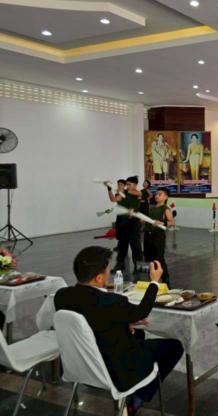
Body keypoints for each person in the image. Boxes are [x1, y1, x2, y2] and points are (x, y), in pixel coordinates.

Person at [54, 246, 183, 416]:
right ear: (99, 278)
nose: (109, 274)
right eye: (108, 271)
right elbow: (141, 311)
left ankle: (137, 393)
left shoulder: (61, 296)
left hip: (81, 366)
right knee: (175, 347)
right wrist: (154, 282)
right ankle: (139, 397)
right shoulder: (110, 301)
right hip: (117, 372)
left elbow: (91, 318)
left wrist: (124, 323)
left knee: (138, 333)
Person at [108, 176, 143, 273]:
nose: (127, 186)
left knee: (135, 245)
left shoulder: (138, 193)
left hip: (133, 222)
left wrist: (120, 190)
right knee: (122, 244)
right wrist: (109, 189)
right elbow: (114, 200)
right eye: (126, 184)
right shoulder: (123, 192)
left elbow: (138, 194)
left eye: (129, 184)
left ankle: (138, 266)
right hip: (122, 220)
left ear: (135, 185)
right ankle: (120, 264)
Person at [143, 187, 175, 287]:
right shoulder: (151, 207)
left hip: (158, 236)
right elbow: (148, 220)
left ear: (166, 197)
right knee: (149, 258)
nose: (157, 196)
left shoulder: (165, 209)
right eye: (156, 194)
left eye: (160, 194)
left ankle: (165, 279)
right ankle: (152, 279)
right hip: (147, 235)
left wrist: (162, 222)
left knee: (159, 258)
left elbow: (172, 222)